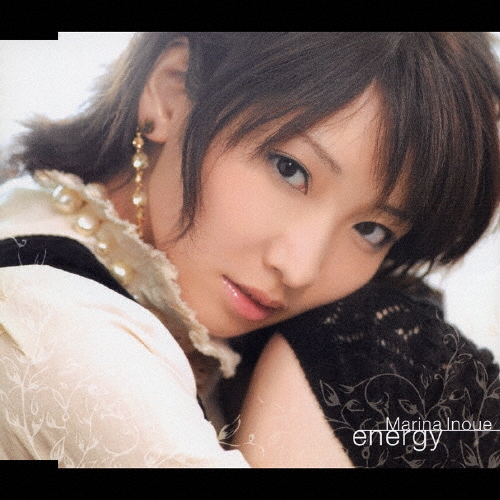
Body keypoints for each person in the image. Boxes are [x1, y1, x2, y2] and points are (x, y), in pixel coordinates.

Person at [0, 33, 499, 468]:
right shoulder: (64, 334)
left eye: (372, 230)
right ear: (171, 92)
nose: (300, 269)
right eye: (289, 169)